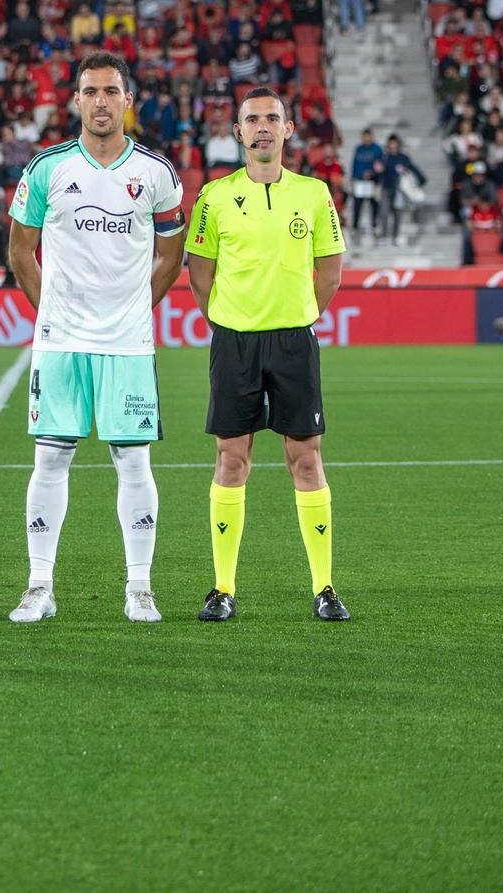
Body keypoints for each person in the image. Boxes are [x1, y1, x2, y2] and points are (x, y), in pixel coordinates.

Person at [5, 52, 186, 624]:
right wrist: (51, 314)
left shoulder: (158, 173)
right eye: (91, 91)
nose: (101, 101)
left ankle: (139, 588)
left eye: (112, 91)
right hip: (61, 342)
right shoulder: (46, 168)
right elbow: (19, 250)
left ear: (127, 100)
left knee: (133, 463)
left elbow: (171, 253)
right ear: (76, 100)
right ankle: (39, 586)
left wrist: (136, 306)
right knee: (49, 459)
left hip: (128, 345)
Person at [185, 87, 351, 622]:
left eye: (271, 119)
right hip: (234, 341)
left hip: (293, 342)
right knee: (231, 458)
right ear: (237, 132)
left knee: (306, 458)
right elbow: (200, 274)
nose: (261, 127)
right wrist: (230, 321)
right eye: (251, 119)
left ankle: (324, 587)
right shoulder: (213, 196)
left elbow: (329, 272)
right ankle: (222, 587)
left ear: (288, 130)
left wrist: (297, 315)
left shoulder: (314, 194)